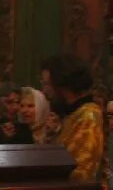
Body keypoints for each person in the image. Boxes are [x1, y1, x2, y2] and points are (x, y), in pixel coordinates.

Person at [41, 54, 104, 182]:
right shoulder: (73, 114)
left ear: (62, 86)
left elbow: (81, 173)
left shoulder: (88, 116)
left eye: (47, 84)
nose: (44, 90)